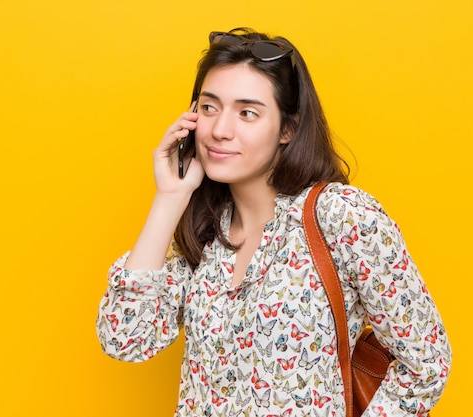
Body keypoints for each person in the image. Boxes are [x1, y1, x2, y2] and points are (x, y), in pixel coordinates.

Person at [96, 27, 451, 417]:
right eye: (209, 107)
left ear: (288, 128)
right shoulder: (205, 233)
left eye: (247, 112)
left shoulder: (340, 215)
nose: (219, 129)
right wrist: (170, 197)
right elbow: (125, 338)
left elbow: (426, 363)